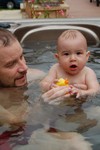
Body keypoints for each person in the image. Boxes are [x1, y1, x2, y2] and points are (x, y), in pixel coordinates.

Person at [0, 28, 46, 125]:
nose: (24, 68)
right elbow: (17, 122)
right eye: (11, 64)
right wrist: (43, 103)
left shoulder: (36, 76)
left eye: (21, 56)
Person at [40, 30, 99, 102]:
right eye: (66, 54)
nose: (73, 59)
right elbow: (42, 84)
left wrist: (83, 92)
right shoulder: (56, 69)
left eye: (78, 53)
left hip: (80, 105)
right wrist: (49, 86)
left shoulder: (88, 73)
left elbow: (96, 90)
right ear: (58, 58)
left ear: (87, 56)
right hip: (59, 105)